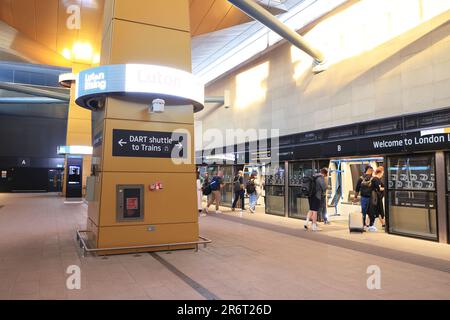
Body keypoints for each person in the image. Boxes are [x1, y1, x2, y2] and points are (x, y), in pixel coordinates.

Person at [367, 168, 385, 232]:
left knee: (374, 211)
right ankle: (383, 224)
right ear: (379, 173)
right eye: (382, 173)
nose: (382, 175)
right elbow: (379, 189)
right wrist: (386, 189)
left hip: (373, 198)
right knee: (378, 210)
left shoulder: (373, 178)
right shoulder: (376, 179)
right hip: (376, 198)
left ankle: (383, 224)